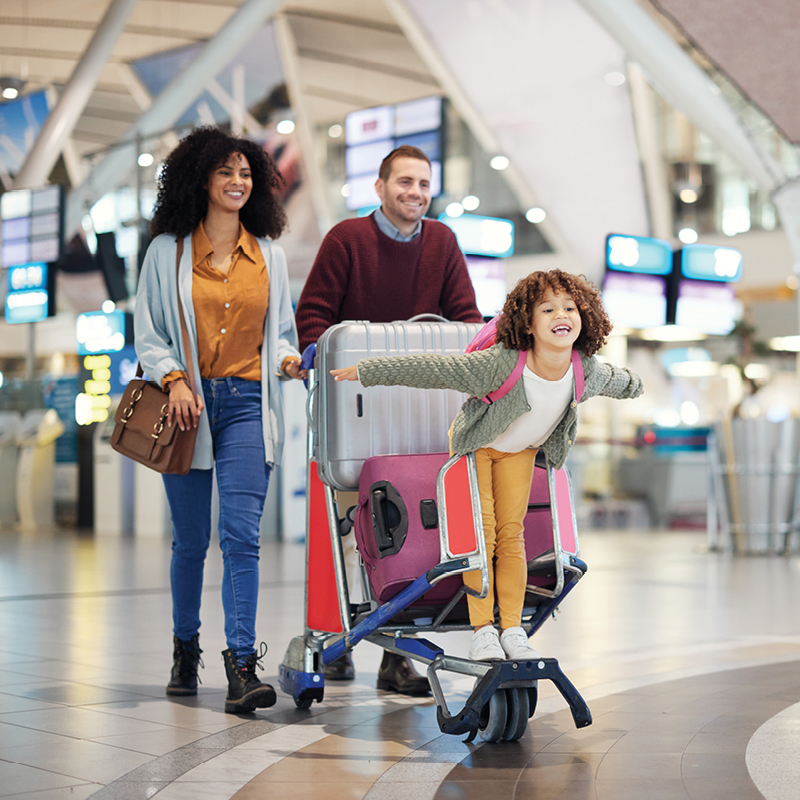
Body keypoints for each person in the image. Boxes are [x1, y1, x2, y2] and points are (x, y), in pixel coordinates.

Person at [331, 270, 643, 661]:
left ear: (584, 317)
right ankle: (483, 632)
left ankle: (511, 628)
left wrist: (637, 385)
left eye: (569, 307)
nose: (561, 314)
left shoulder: (585, 370)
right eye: (547, 309)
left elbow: (619, 380)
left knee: (512, 536)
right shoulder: (501, 363)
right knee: (481, 535)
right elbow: (434, 370)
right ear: (527, 323)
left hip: (520, 451)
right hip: (477, 448)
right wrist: (367, 371)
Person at [295, 145, 483, 694]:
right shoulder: (346, 241)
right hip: (353, 412)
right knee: (349, 534)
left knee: (405, 532)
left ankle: (392, 653)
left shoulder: (443, 243)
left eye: (424, 184)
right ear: (379, 187)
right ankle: (334, 634)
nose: (416, 193)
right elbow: (313, 318)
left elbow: (466, 319)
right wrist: (313, 352)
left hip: (418, 411)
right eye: (405, 182)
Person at [134, 126, 304, 714]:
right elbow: (149, 333)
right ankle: (186, 649)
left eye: (246, 173)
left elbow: (281, 331)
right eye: (225, 171)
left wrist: (288, 358)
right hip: (186, 407)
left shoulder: (271, 256)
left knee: (242, 538)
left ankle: (241, 667)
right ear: (200, 179)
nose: (237, 182)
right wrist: (174, 379)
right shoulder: (167, 252)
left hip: (249, 407)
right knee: (190, 542)